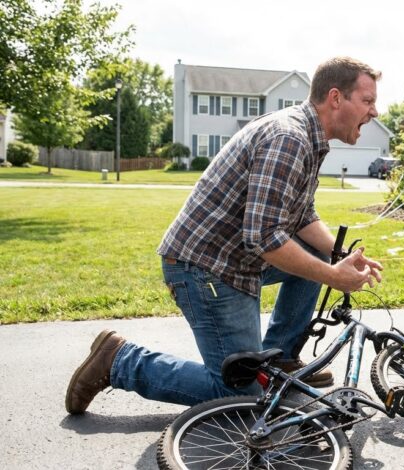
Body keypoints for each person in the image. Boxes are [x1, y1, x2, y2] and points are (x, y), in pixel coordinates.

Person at [65, 57, 384, 414]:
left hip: (233, 259)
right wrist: (333, 276)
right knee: (242, 394)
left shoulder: (310, 139)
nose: (374, 111)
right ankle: (119, 361)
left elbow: (301, 216)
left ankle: (278, 361)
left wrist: (342, 253)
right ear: (336, 98)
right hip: (204, 269)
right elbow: (263, 238)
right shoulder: (289, 138)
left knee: (317, 253)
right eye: (368, 101)